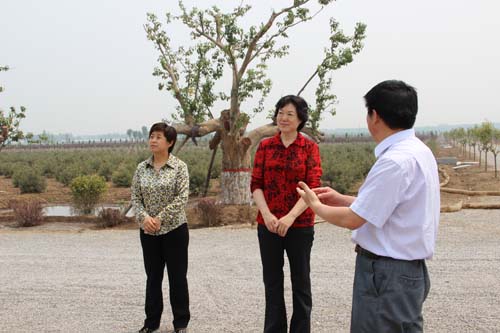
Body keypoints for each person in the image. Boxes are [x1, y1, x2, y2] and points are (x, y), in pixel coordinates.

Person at [297, 80, 439, 332]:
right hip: (404, 272)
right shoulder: (418, 151)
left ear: (374, 116)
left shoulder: (394, 161)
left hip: (385, 274)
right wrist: (342, 199)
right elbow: (388, 210)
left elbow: (353, 219)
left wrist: (315, 205)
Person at [251, 95, 323, 333]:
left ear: (300, 119)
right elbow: (256, 184)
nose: (283, 118)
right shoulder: (265, 146)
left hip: (300, 225)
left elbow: (311, 187)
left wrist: (290, 217)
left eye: (290, 114)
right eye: (280, 112)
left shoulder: (309, 147)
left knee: (301, 282)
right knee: (272, 283)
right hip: (268, 224)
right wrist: (268, 215)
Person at [131, 122, 190, 333]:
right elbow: (135, 198)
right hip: (148, 231)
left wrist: (159, 218)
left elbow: (182, 197)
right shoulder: (141, 168)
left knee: (177, 277)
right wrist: (145, 218)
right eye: (151, 136)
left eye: (158, 137)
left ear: (170, 142)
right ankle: (151, 323)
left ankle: (181, 323)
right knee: (153, 277)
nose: (153, 140)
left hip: (175, 230)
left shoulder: (179, 167)